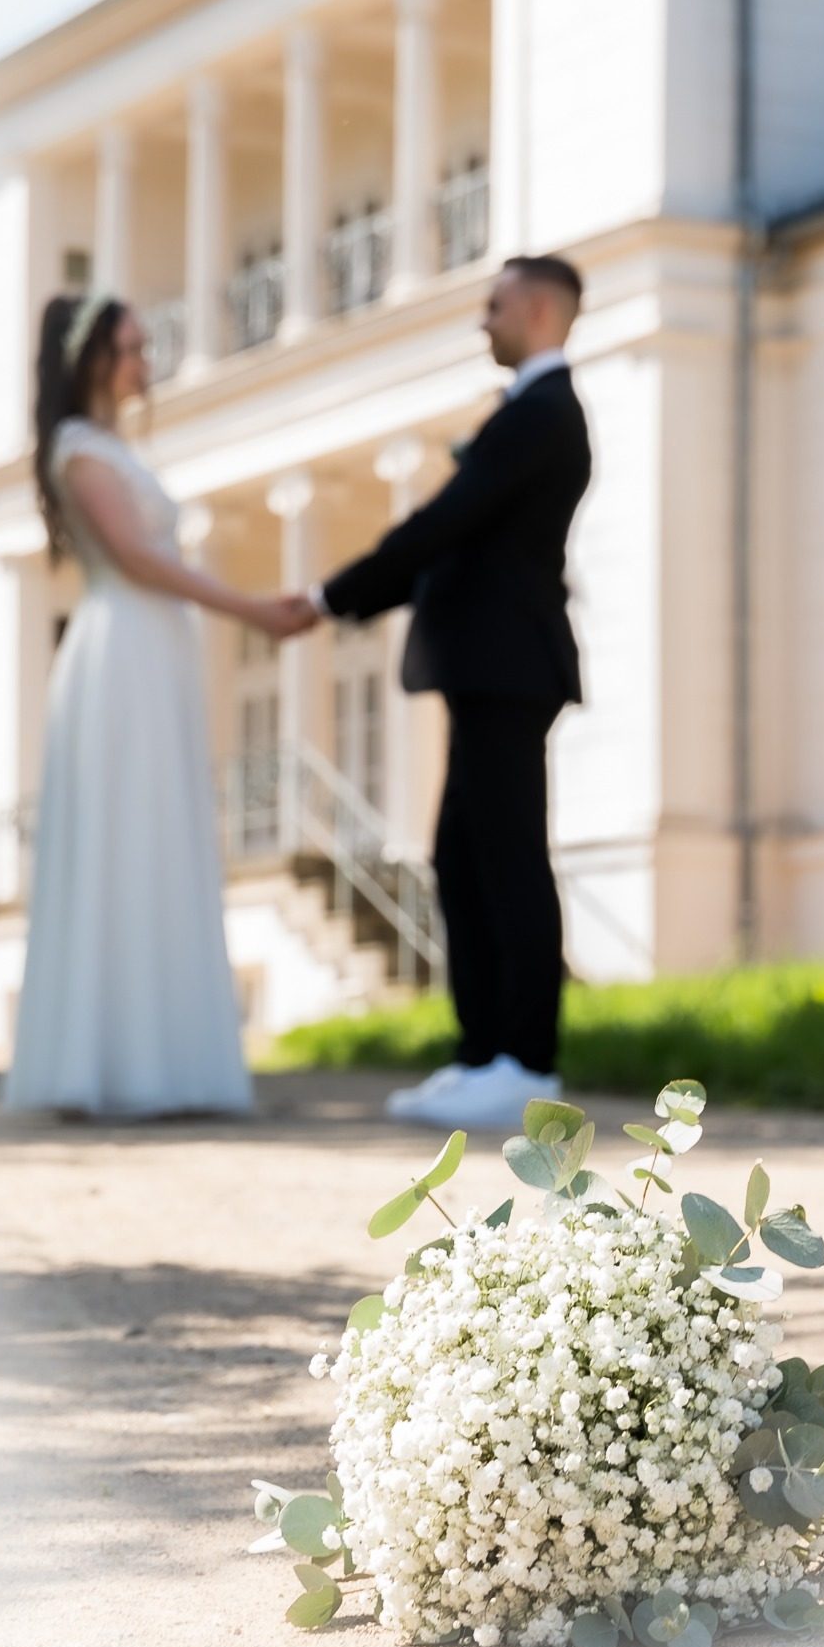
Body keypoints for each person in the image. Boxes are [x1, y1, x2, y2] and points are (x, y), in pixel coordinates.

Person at [4, 294, 313, 1118]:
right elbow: (137, 559)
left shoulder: (111, 447)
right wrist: (247, 609)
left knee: (159, 840)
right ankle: (112, 1067)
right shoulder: (78, 448)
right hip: (121, 656)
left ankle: (163, 1062)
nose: (148, 362)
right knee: (124, 841)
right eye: (135, 348)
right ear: (94, 359)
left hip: (151, 655)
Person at [307, 255, 592, 1130]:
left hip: (509, 668)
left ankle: (526, 1061)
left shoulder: (542, 414)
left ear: (539, 310)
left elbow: (445, 524)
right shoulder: (523, 413)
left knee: (505, 859)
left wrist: (330, 596)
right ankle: (483, 1056)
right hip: (486, 671)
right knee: (463, 859)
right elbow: (452, 536)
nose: (483, 321)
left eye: (495, 305)